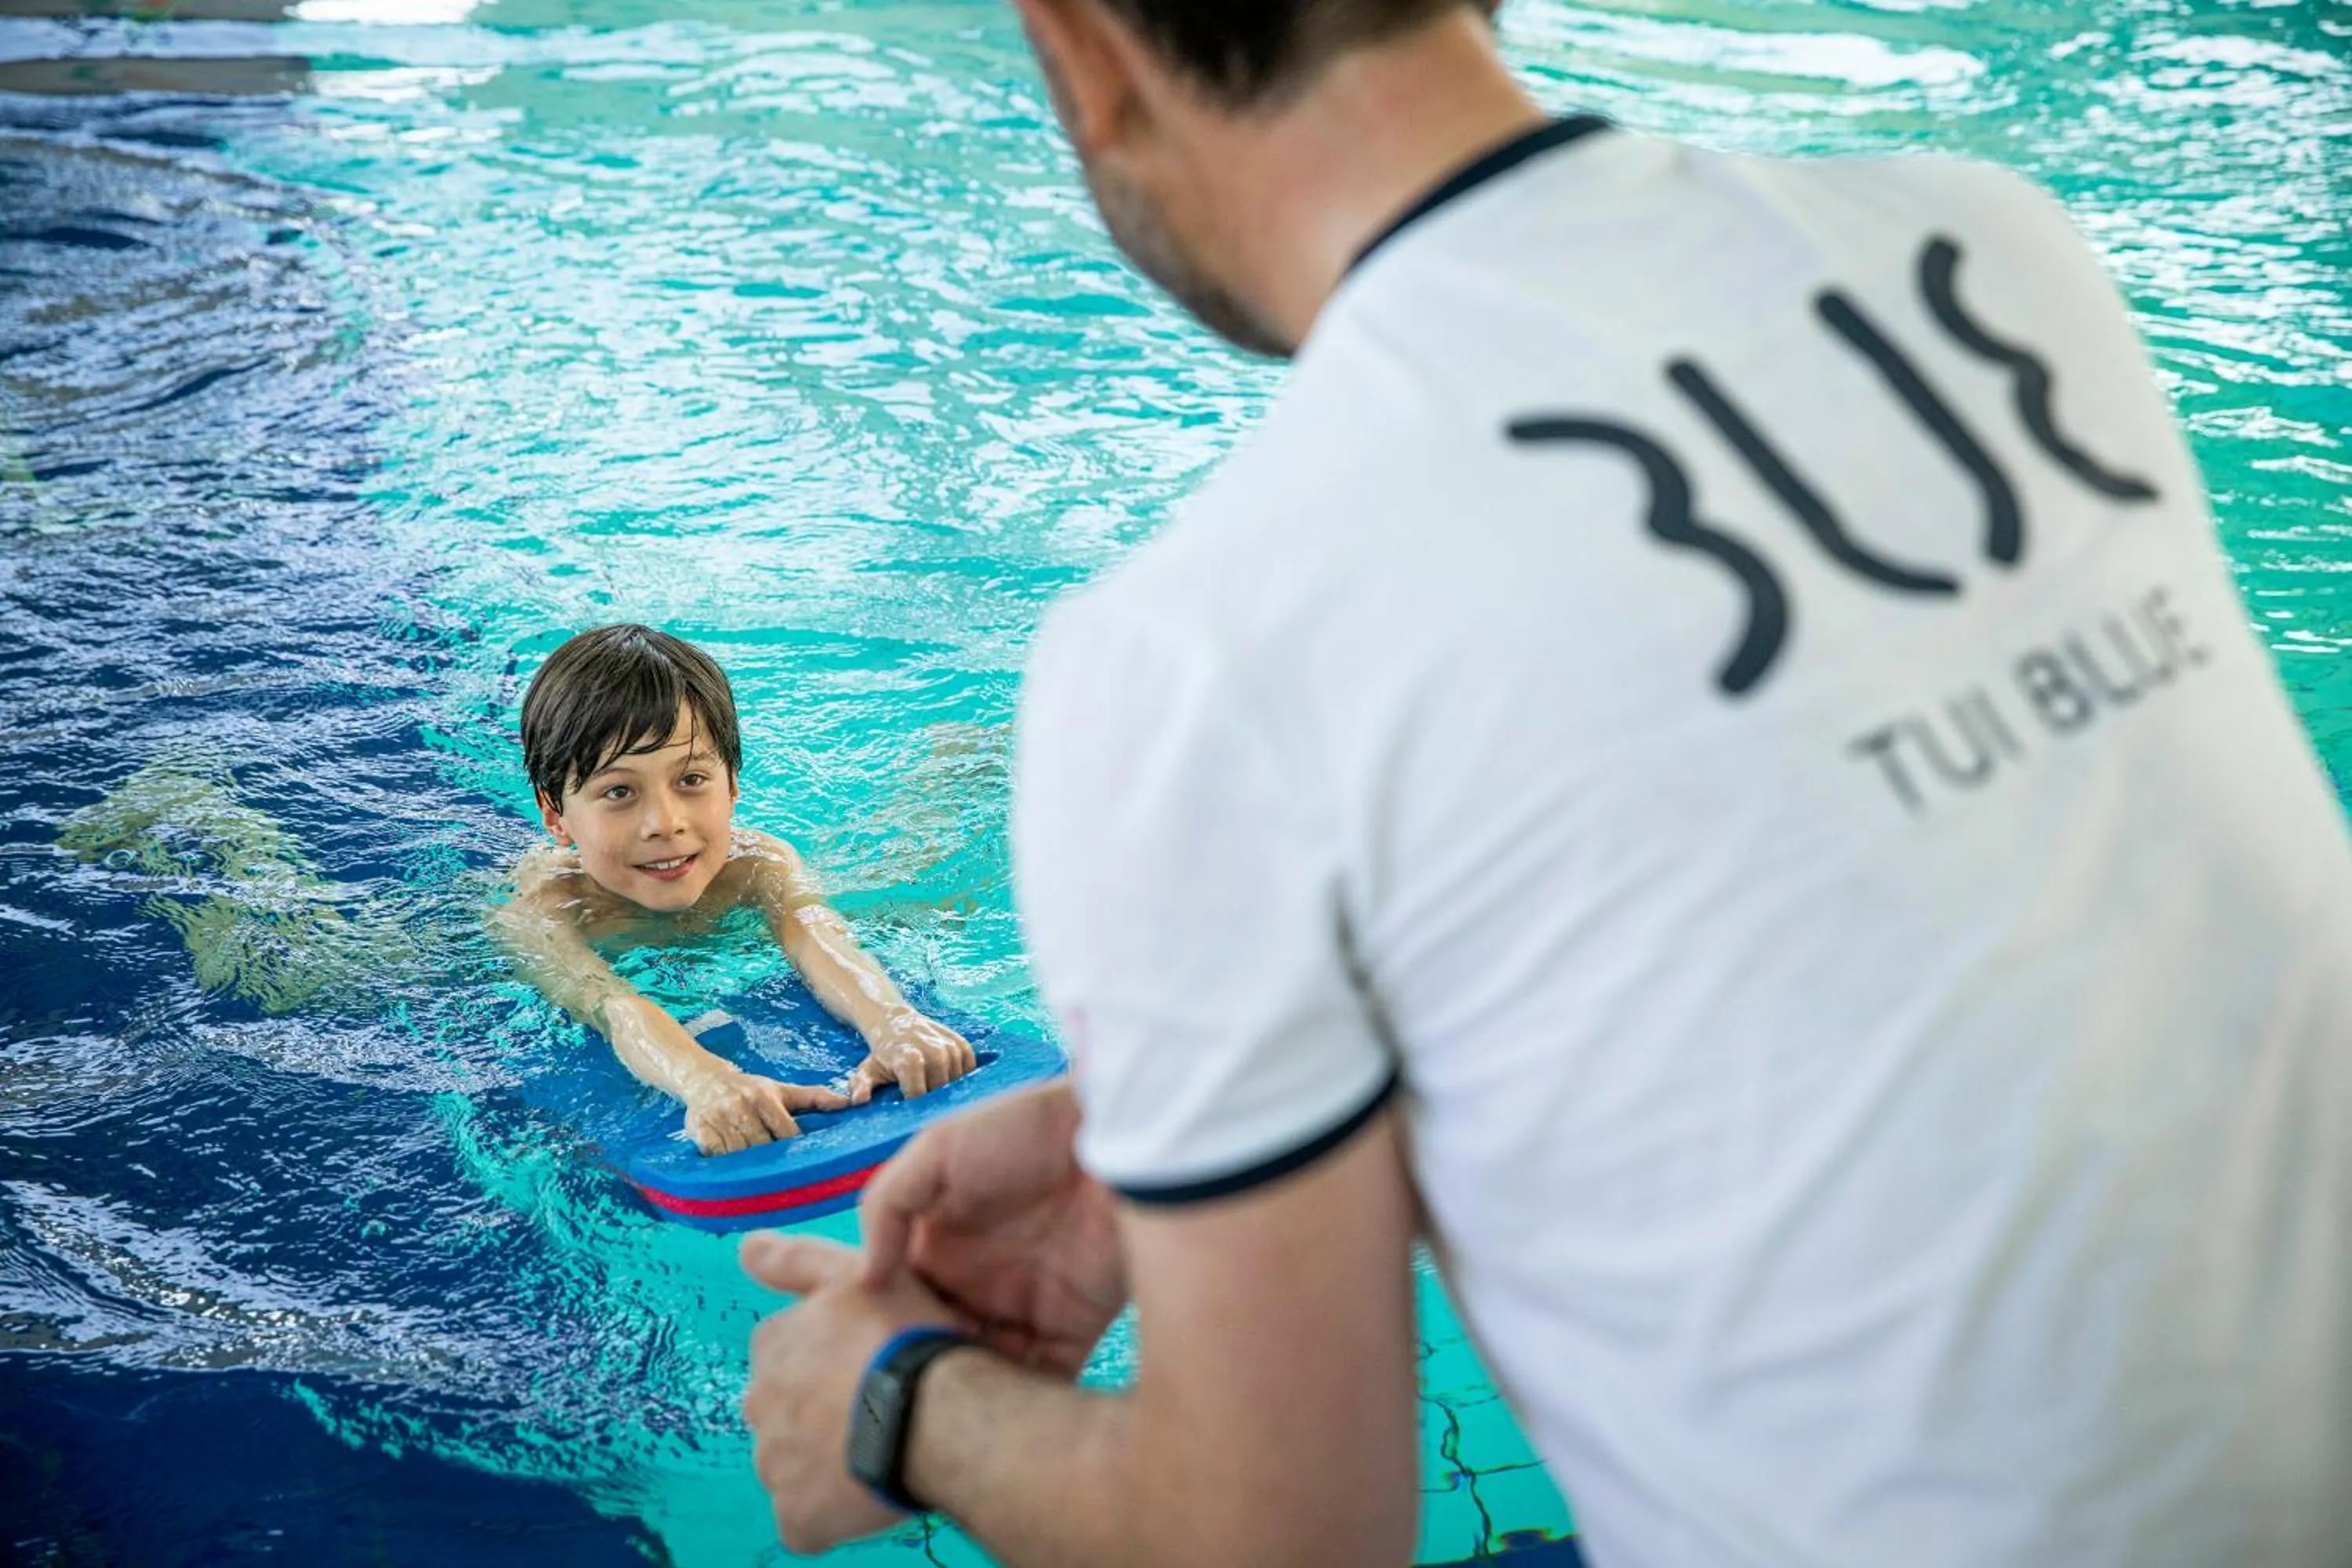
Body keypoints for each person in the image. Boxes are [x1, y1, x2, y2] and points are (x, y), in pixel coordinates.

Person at [739, 1, 2352, 1563]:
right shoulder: (1989, 250)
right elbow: (1909, 886)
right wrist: (1170, 1131)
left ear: (1086, 51)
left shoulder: (1187, 649)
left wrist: (890, 1407)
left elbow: (1275, 1535)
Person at [495, 624, 978, 1156]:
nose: (664, 822)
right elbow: (614, 1006)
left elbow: (818, 938)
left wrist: (894, 1022)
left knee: (917, 883)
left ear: (732, 785)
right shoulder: (545, 911)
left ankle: (955, 762)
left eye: (691, 780)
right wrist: (704, 1080)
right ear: (555, 816)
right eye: (619, 791)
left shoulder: (756, 866)